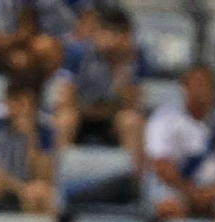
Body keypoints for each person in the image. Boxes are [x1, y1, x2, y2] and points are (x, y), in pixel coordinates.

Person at [144, 65, 215, 222]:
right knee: (169, 210)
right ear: (184, 87)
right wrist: (190, 192)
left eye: (206, 85)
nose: (201, 90)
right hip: (175, 187)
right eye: (196, 84)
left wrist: (214, 192)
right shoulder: (164, 118)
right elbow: (162, 166)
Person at [53, 7, 146, 173]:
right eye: (111, 33)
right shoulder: (77, 53)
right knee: (64, 119)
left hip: (111, 121)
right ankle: (57, 178)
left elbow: (133, 105)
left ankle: (133, 181)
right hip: (81, 117)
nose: (115, 40)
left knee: (132, 121)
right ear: (99, 32)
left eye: (122, 34)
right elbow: (65, 100)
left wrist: (119, 69)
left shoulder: (135, 57)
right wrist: (98, 108)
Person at [0, 78, 58, 222]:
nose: (22, 110)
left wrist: (31, 137)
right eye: (17, 103)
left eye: (28, 105)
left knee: (40, 193)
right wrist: (20, 189)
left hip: (28, 182)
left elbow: (44, 175)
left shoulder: (45, 126)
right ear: (7, 101)